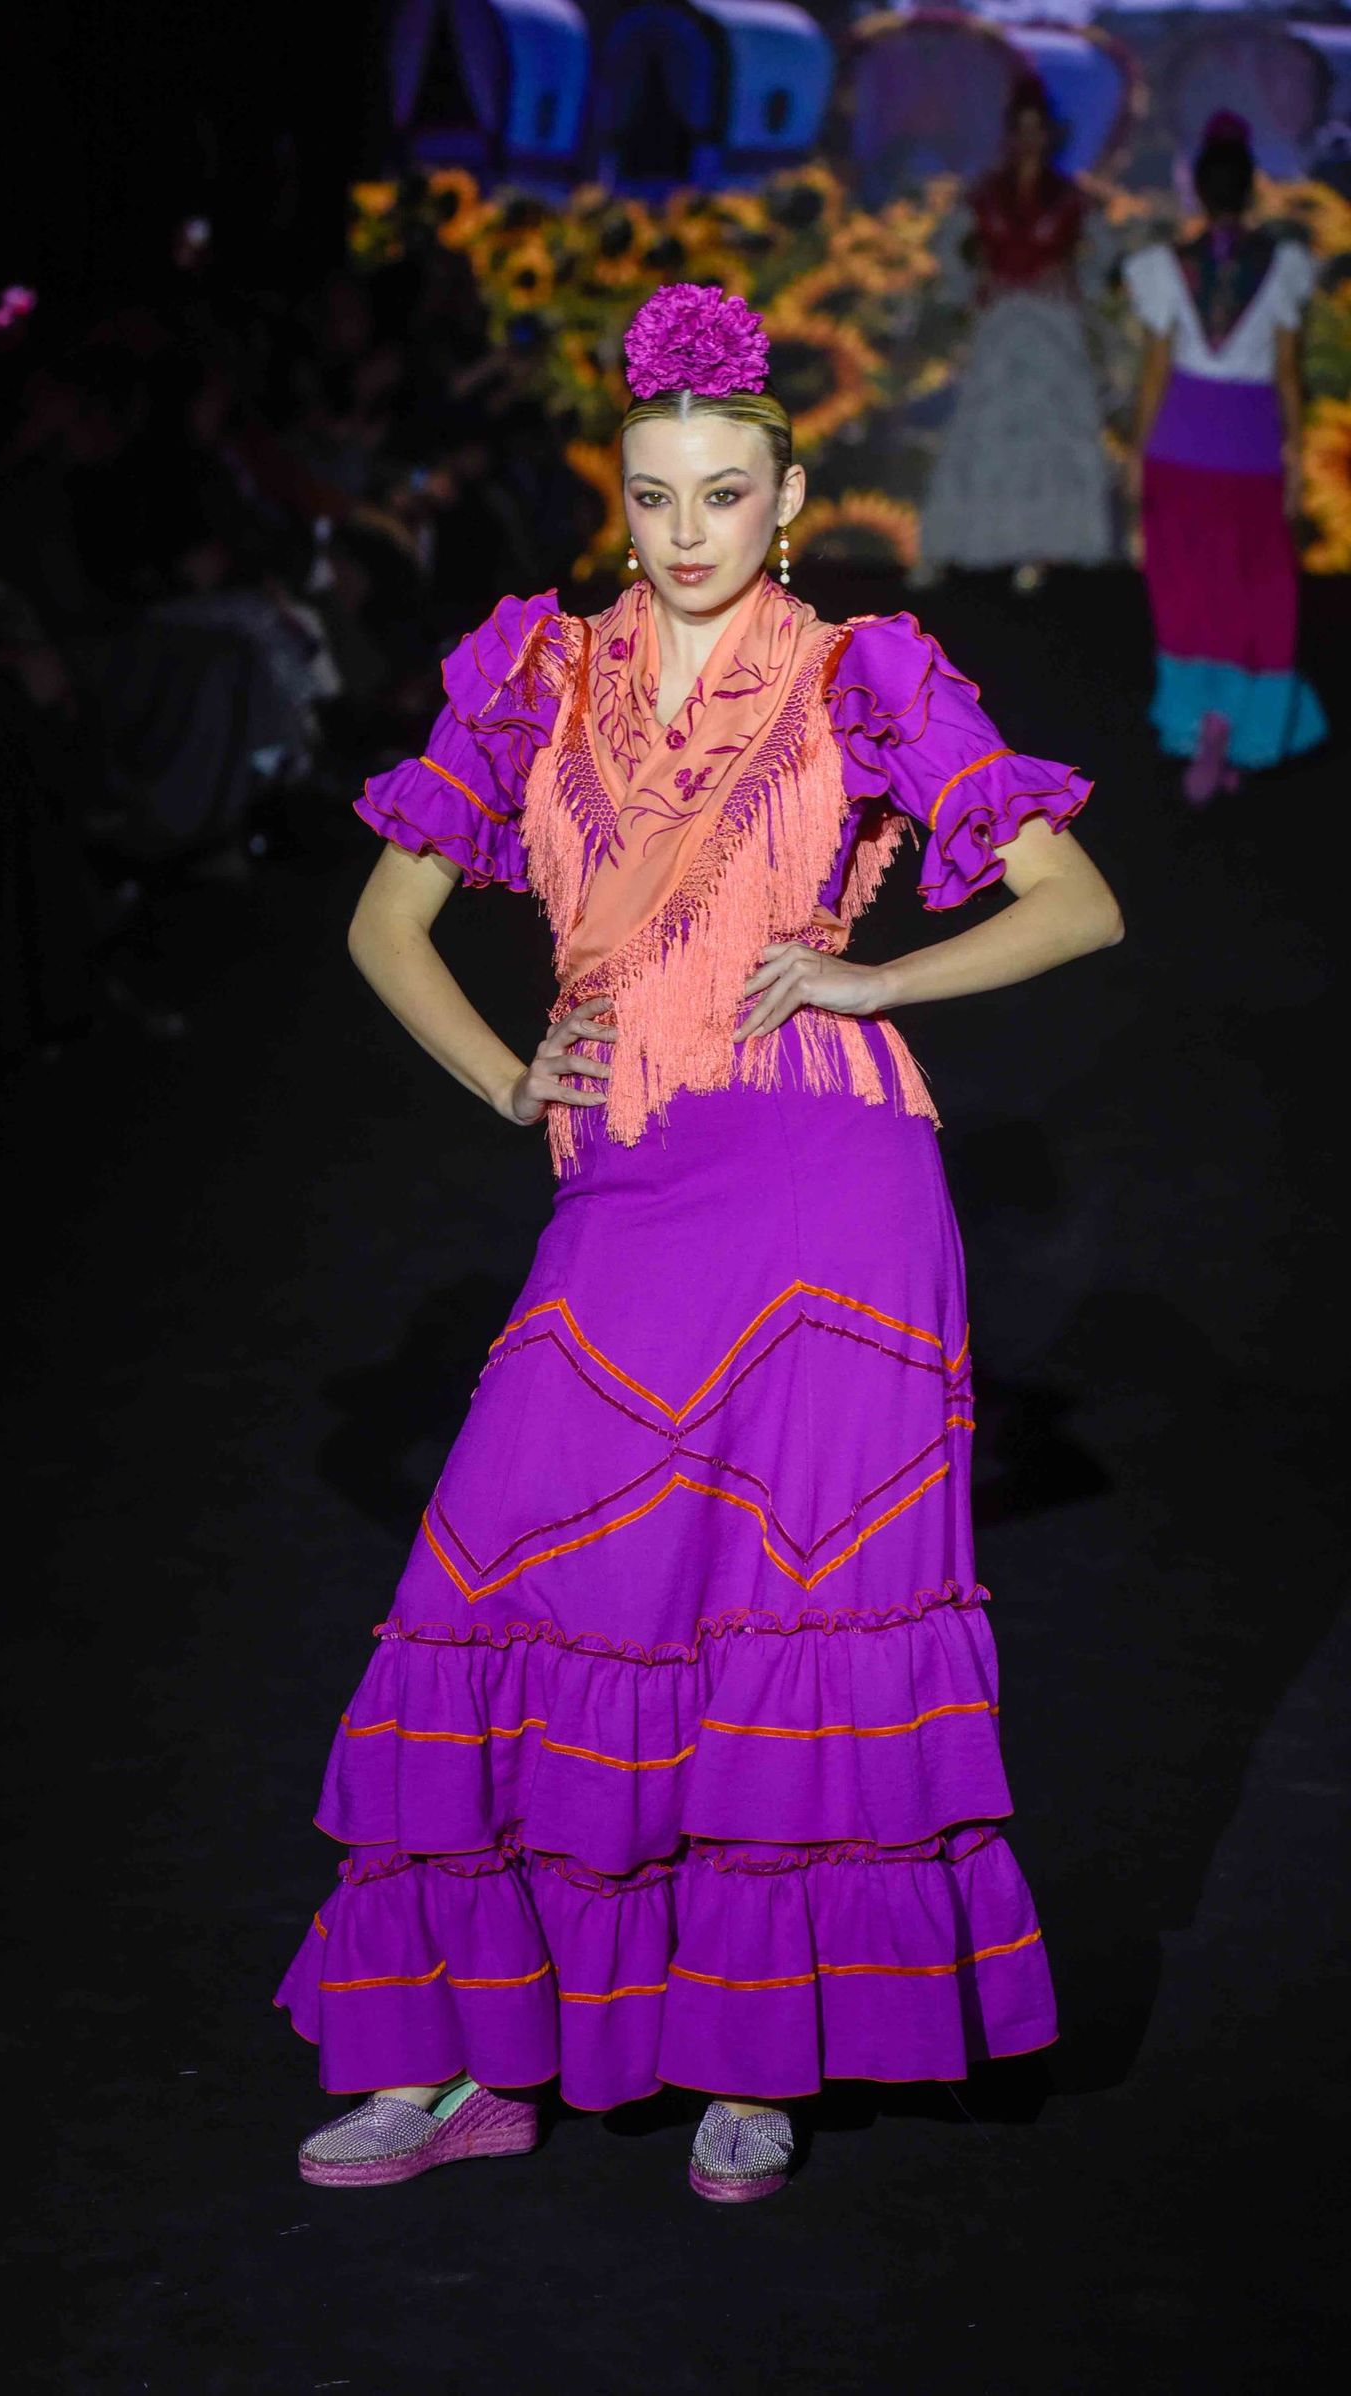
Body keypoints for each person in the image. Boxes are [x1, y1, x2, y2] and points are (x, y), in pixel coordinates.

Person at [276, 286, 1123, 2203]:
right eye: (654, 496)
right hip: (629, 1191)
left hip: (835, 1188)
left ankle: (761, 2050)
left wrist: (876, 965)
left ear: (787, 496)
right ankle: (453, 2065)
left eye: (723, 497)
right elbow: (377, 928)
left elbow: (1078, 903)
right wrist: (510, 1080)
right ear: (622, 492)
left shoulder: (869, 672)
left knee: (785, 1622)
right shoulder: (533, 670)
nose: (683, 534)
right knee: (493, 1581)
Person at [1124, 112, 1326, 805]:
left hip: (1179, 446)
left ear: (1199, 193)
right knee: (1254, 586)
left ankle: (1197, 725)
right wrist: (1296, 460)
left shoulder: (1162, 267)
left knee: (1186, 584)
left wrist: (1135, 454)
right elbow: (1290, 375)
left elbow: (1153, 373)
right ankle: (1240, 729)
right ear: (1251, 189)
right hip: (1250, 449)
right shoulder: (1286, 266)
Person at [916, 77, 1112, 594]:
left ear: (1050, 136)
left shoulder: (1070, 198)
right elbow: (947, 248)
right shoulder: (985, 195)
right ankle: (955, 547)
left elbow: (1103, 255)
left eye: (1037, 130)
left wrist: (1075, 284)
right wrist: (970, 286)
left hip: (1051, 325)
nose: (1029, 140)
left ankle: (1037, 549)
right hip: (1001, 322)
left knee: (1046, 432)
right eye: (1020, 130)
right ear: (1009, 135)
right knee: (985, 427)